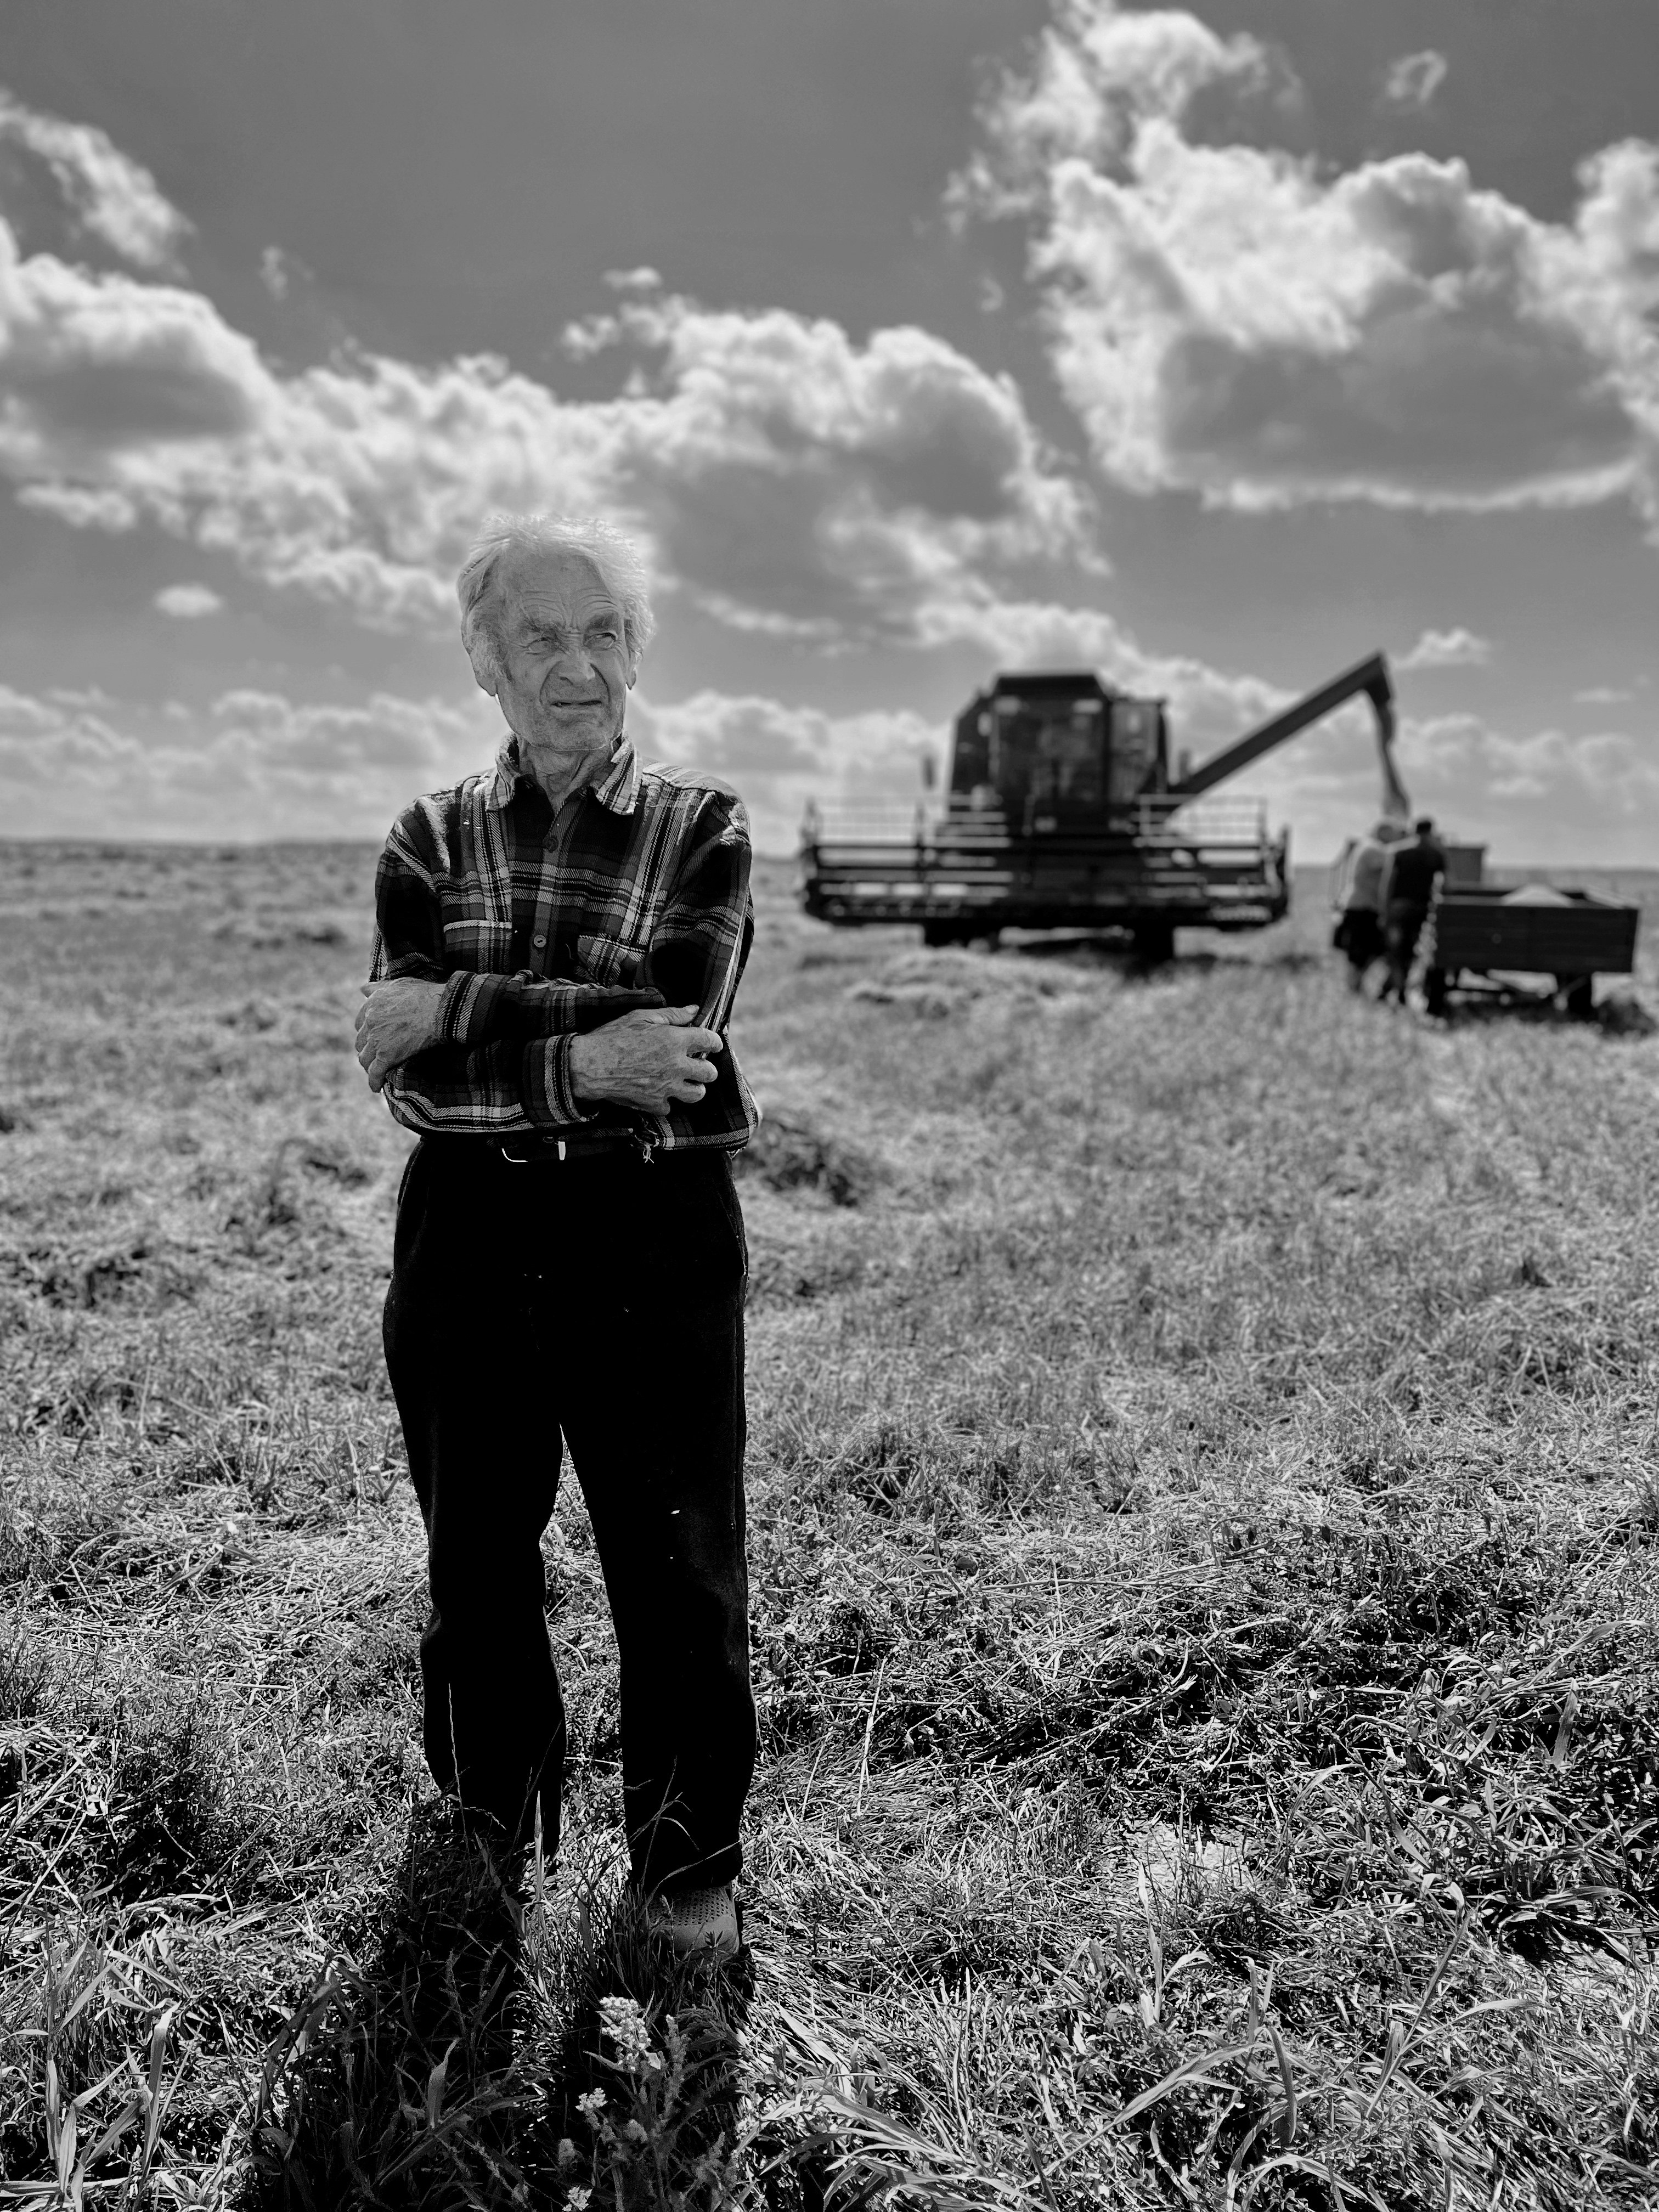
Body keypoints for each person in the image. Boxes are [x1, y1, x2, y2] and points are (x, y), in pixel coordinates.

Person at [354, 512, 759, 1960]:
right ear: (485, 662)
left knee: (677, 1559)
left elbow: (673, 1037)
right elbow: (394, 1066)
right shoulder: (426, 835)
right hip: (464, 1224)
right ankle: (488, 1813)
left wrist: (466, 1007)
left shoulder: (700, 825)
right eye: (539, 637)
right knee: (474, 1551)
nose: (575, 666)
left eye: (602, 635)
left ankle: (684, 1865)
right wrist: (582, 1045)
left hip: (649, 1224)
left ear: (637, 653)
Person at [1379, 816, 1447, 1005]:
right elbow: (1446, 884)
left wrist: (1384, 911)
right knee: (1410, 951)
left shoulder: (1400, 852)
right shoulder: (1436, 854)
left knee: (1395, 952)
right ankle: (1397, 989)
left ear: (1414, 830)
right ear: (1431, 831)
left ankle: (1397, 990)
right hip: (1421, 909)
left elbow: (1387, 884)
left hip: (1398, 908)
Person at [1331, 819, 1404, 991]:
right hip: (1362, 908)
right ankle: (1353, 989)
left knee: (1370, 950)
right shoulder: (1372, 848)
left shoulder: (1369, 847)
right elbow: (1393, 860)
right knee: (1360, 951)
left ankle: (1356, 988)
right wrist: (1411, 845)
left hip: (1365, 907)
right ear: (1384, 833)